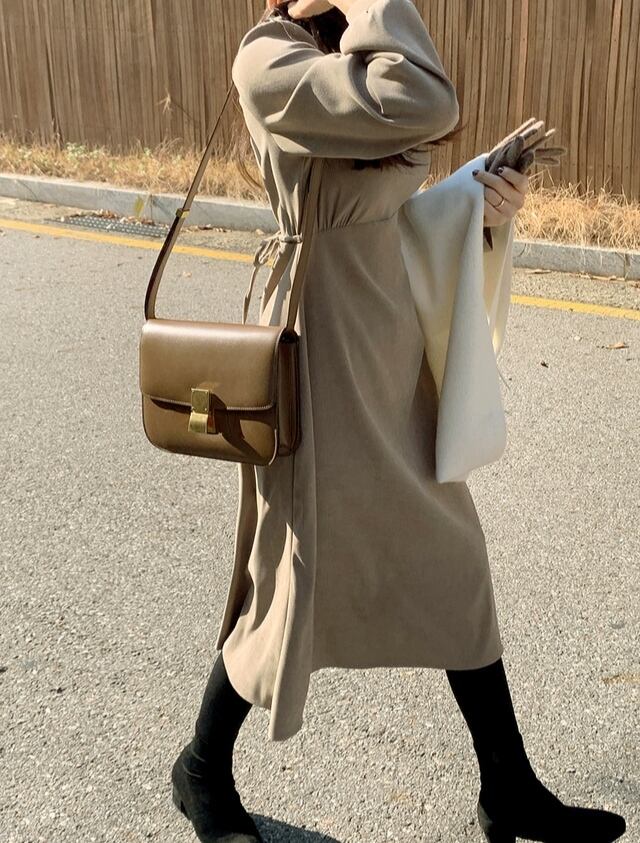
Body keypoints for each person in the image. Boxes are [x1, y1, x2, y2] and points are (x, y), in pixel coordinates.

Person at [170, 1, 628, 841]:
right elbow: (427, 103)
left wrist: (476, 203)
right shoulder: (266, 58)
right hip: (317, 341)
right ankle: (200, 767)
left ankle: (508, 785)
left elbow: (396, 208)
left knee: (453, 555)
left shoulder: (357, 53)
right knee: (291, 570)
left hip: (386, 339)